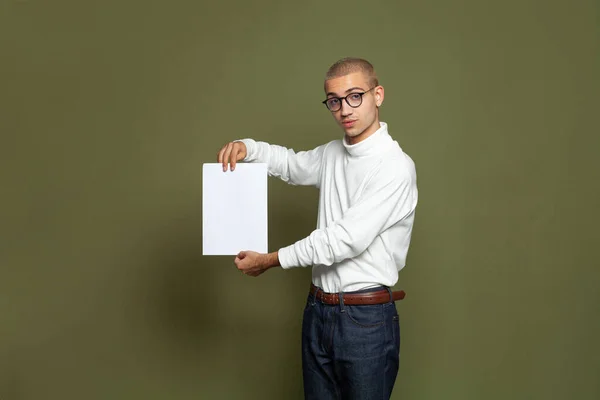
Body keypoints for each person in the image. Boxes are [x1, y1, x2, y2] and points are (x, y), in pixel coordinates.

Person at [216, 57, 418, 399]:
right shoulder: (332, 154)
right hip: (318, 311)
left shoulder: (394, 167)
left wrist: (269, 260)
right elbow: (291, 165)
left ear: (377, 95)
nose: (345, 109)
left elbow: (343, 240)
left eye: (355, 96)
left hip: (365, 321)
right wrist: (248, 148)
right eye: (335, 101)